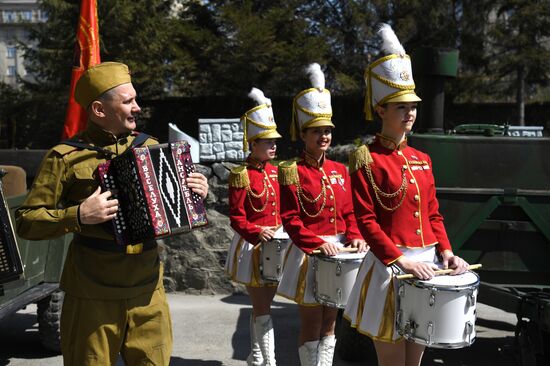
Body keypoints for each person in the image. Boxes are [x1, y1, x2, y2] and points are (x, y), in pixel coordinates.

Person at [15, 62, 209, 366]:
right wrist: (77, 215)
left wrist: (195, 192)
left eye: (135, 99)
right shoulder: (64, 157)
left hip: (147, 288)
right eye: (128, 101)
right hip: (92, 291)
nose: (138, 108)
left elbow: (175, 211)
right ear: (99, 109)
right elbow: (26, 221)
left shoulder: (152, 147)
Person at [343, 24, 468, 366]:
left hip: (428, 265)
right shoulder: (365, 159)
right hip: (391, 268)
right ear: (381, 109)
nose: (409, 113)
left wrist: (447, 252)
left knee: (415, 361)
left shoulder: (422, 159)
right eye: (400, 106)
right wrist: (401, 260)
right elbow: (366, 221)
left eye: (412, 106)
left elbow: (433, 215)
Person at [277, 63, 367, 366]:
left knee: (332, 322)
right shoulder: (292, 172)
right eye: (317, 131)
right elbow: (290, 219)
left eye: (327, 131)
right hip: (309, 255)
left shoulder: (341, 170)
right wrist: (316, 243)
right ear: (303, 134)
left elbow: (350, 213)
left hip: (340, 253)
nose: (324, 137)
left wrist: (355, 237)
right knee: (312, 323)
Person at [225, 87, 283, 366]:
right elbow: (236, 217)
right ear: (253, 143)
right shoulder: (241, 175)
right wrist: (256, 231)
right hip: (253, 246)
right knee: (262, 308)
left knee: (265, 306)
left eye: (274, 141)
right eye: (267, 141)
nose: (273, 145)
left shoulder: (278, 172)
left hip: (277, 245)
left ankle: (256, 355)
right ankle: (268, 361)